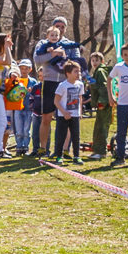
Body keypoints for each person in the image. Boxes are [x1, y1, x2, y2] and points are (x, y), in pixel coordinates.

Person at [33, 17, 85, 158]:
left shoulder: (69, 44)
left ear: (66, 28)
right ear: (52, 27)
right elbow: (37, 60)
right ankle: (43, 148)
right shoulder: (43, 43)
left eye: (62, 26)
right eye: (57, 26)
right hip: (49, 82)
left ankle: (64, 149)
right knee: (46, 117)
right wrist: (52, 54)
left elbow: (76, 62)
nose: (60, 29)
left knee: (67, 117)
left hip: (66, 83)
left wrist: (64, 57)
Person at [51, 61, 84, 163]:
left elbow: (80, 98)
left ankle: (76, 156)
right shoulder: (62, 85)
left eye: (79, 71)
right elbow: (56, 101)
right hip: (63, 116)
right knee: (61, 136)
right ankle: (59, 156)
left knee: (76, 136)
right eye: (75, 71)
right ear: (68, 73)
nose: (78, 74)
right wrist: (64, 112)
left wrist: (80, 112)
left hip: (75, 115)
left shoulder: (80, 84)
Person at [88, 51, 112, 160]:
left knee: (101, 128)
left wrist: (102, 101)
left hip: (104, 104)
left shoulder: (100, 71)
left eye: (96, 60)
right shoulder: (97, 71)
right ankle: (97, 150)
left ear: (102, 61)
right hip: (101, 103)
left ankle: (101, 152)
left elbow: (104, 87)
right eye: (92, 60)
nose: (94, 62)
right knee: (98, 127)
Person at [7, 59, 33, 156]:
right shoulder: (16, 80)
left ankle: (25, 147)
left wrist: (31, 92)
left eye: (26, 68)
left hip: (29, 108)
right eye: (22, 68)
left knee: (26, 129)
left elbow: (36, 95)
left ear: (30, 69)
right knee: (18, 129)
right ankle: (19, 147)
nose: (24, 71)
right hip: (18, 108)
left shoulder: (33, 81)